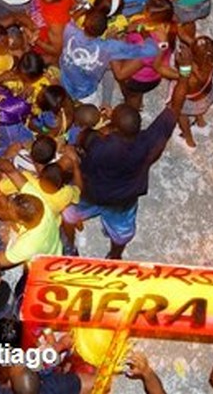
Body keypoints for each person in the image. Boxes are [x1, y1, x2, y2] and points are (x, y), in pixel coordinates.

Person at [62, 62, 190, 258]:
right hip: (123, 201)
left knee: (68, 215)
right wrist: (185, 69)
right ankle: (114, 255)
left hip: (90, 193)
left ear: (114, 126)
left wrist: (101, 125)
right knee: (122, 234)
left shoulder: (95, 142)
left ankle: (69, 247)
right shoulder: (148, 143)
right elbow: (176, 105)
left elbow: (82, 141)